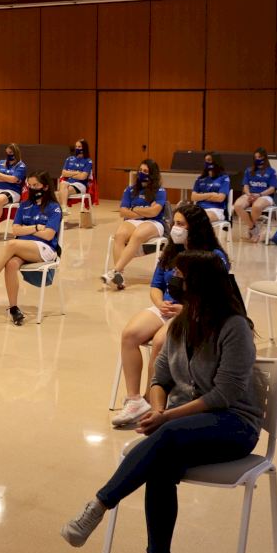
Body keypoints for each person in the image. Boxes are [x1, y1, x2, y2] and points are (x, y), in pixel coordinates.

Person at [61, 251, 261, 553]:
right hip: (185, 425)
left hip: (234, 424)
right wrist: (157, 411)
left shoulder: (234, 327)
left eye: (179, 276)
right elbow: (160, 378)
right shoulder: (181, 324)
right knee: (160, 466)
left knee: (166, 436)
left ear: (198, 283)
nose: (173, 281)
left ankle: (98, 505)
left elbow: (225, 395)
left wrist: (167, 418)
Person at [111, 204, 229, 428]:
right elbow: (156, 285)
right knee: (130, 335)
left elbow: (218, 296)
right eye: (174, 223)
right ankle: (134, 400)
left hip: (195, 311)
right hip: (166, 307)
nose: (175, 228)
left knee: (160, 342)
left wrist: (185, 309)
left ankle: (151, 402)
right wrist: (159, 303)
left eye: (181, 224)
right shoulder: (171, 250)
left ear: (195, 227)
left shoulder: (214, 256)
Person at [0, 171, 62, 326]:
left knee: (11, 244)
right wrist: (36, 227)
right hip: (23, 247)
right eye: (30, 185)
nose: (32, 188)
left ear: (45, 187)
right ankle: (14, 308)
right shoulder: (24, 205)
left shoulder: (53, 207)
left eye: (36, 185)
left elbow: (49, 235)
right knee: (10, 264)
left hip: (45, 249)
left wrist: (25, 229)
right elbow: (15, 230)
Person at [103, 159, 168, 291]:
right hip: (135, 220)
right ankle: (120, 277)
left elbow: (155, 212)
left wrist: (134, 209)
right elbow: (123, 212)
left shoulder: (159, 191)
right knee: (119, 235)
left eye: (145, 171)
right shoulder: (130, 189)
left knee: (138, 235)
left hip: (155, 222)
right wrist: (144, 211)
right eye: (140, 170)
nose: (141, 173)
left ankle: (115, 271)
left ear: (152, 174)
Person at [234, 147, 277, 242]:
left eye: (260, 157)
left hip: (265, 195)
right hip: (250, 194)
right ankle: (253, 228)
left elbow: (272, 189)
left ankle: (252, 229)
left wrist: (259, 195)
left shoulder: (271, 171)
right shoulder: (249, 170)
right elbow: (245, 185)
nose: (257, 159)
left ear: (264, 158)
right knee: (237, 205)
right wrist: (248, 194)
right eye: (256, 157)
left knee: (256, 206)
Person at [191, 152, 231, 224]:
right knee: (183, 217)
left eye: (209, 160)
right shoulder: (200, 178)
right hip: (199, 208)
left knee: (200, 219)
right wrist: (211, 194)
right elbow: (193, 197)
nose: (207, 162)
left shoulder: (224, 178)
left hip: (216, 209)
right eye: (206, 160)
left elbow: (220, 198)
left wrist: (201, 196)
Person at [57, 139, 93, 213]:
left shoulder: (88, 161)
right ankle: (64, 208)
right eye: (76, 146)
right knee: (63, 184)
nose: (77, 148)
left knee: (58, 194)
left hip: (80, 185)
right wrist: (76, 172)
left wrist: (70, 173)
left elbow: (83, 177)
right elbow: (63, 173)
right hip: (67, 183)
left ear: (84, 148)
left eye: (79, 147)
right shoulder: (69, 159)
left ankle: (62, 210)